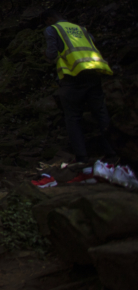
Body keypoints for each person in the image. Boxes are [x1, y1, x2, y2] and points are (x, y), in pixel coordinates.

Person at [41, 10, 115, 171]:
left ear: (49, 19)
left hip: (72, 77)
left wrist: (47, 57)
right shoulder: (81, 29)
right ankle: (112, 153)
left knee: (73, 117)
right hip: (93, 73)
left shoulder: (52, 29)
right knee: (101, 113)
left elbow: (52, 53)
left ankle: (82, 158)